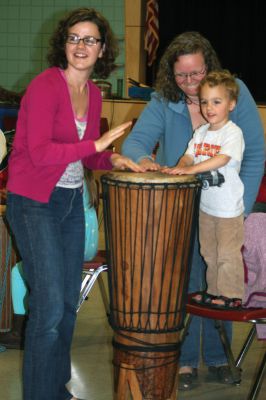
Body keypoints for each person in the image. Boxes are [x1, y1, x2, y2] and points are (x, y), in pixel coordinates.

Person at [6, 8, 142, 400]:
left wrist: (111, 158)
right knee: (48, 309)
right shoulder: (46, 86)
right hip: (34, 204)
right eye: (74, 38)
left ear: (103, 49)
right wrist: (97, 144)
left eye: (90, 39)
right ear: (63, 44)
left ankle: (56, 388)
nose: (81, 46)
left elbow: (83, 158)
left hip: (70, 203)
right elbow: (40, 152)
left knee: (67, 306)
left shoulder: (94, 93)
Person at [122, 31, 265, 390]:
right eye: (182, 76)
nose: (190, 84)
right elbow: (135, 143)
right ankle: (185, 363)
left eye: (197, 74)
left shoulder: (235, 92)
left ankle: (219, 359)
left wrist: (240, 208)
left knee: (220, 280)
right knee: (188, 283)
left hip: (226, 210)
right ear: (172, 75)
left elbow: (255, 154)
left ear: (209, 68)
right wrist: (148, 162)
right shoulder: (162, 100)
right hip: (184, 209)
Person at [164, 69, 245, 308]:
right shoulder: (200, 132)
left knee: (227, 254)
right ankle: (214, 291)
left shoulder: (233, 133)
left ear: (231, 104)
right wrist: (179, 168)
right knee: (209, 253)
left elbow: (222, 159)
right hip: (206, 208)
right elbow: (188, 157)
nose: (209, 107)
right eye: (205, 102)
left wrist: (191, 171)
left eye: (217, 102)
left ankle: (231, 295)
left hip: (229, 210)